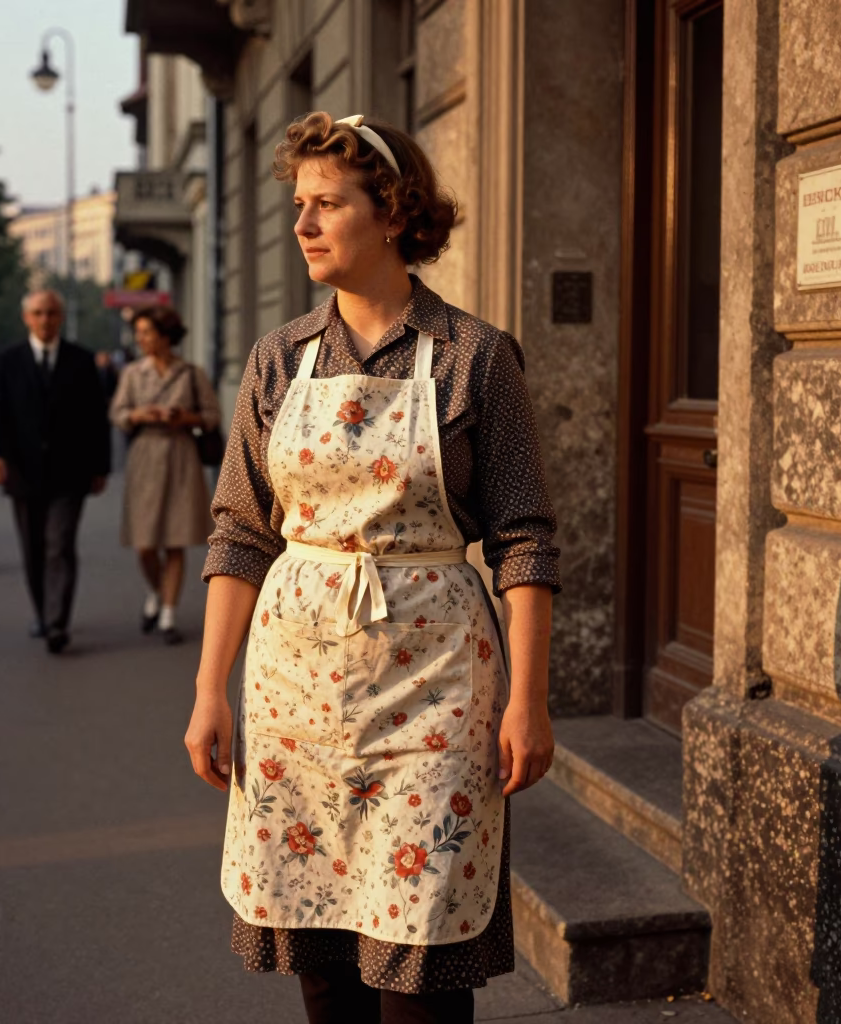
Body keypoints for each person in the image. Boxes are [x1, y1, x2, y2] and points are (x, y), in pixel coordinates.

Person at [184, 112, 561, 1024]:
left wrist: (530, 698)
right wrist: (208, 691)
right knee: (322, 960)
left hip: (437, 691)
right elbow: (240, 534)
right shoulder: (278, 360)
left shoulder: (475, 356)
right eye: (299, 204)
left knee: (422, 961)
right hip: (296, 694)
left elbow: (524, 539)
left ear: (392, 212)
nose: (304, 223)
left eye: (328, 204)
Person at [0, 289, 111, 654]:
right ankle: (42, 612)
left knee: (60, 545)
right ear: (26, 318)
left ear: (61, 317)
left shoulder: (81, 360)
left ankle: (57, 623)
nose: (45, 320)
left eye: (51, 313)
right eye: (38, 313)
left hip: (70, 473)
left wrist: (100, 467)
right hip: (22, 472)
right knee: (33, 548)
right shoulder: (7, 361)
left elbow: (95, 418)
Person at [109, 305, 221, 644]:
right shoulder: (133, 373)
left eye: (147, 332)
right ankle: (156, 592)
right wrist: (140, 414)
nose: (141, 339)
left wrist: (185, 418)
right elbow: (117, 412)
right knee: (145, 544)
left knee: (175, 539)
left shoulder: (191, 373)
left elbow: (212, 415)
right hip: (145, 457)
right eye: (139, 333)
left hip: (181, 456)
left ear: (165, 336)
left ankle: (168, 614)